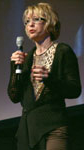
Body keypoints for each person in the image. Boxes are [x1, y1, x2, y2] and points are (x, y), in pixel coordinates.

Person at [7, 3, 81, 150]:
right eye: (27, 22)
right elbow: (14, 96)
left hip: (54, 126)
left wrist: (50, 79)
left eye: (36, 19)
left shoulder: (63, 51)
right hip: (28, 130)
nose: (30, 24)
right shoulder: (27, 58)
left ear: (48, 22)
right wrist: (15, 66)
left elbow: (74, 90)